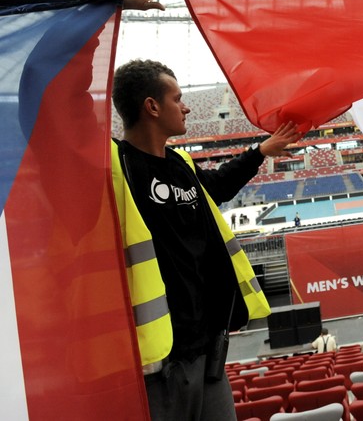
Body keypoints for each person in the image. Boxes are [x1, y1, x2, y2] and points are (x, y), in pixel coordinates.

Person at [110, 57, 302, 421]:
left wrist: (260, 152)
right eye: (177, 98)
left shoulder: (182, 164)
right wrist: (110, 2)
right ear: (151, 107)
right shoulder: (117, 166)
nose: (185, 106)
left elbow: (218, 185)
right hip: (160, 364)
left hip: (208, 350)